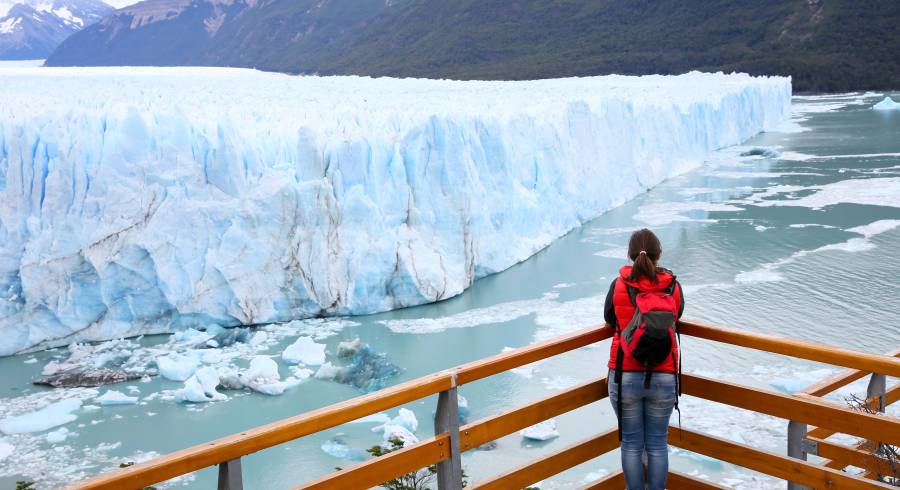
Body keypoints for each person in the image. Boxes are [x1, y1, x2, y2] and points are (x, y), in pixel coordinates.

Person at [604, 228, 684, 490]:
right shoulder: (672, 286)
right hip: (664, 373)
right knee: (658, 442)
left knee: (631, 443)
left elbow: (609, 318)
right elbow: (678, 315)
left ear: (630, 255)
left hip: (624, 373)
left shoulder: (618, 285)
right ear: (659, 254)